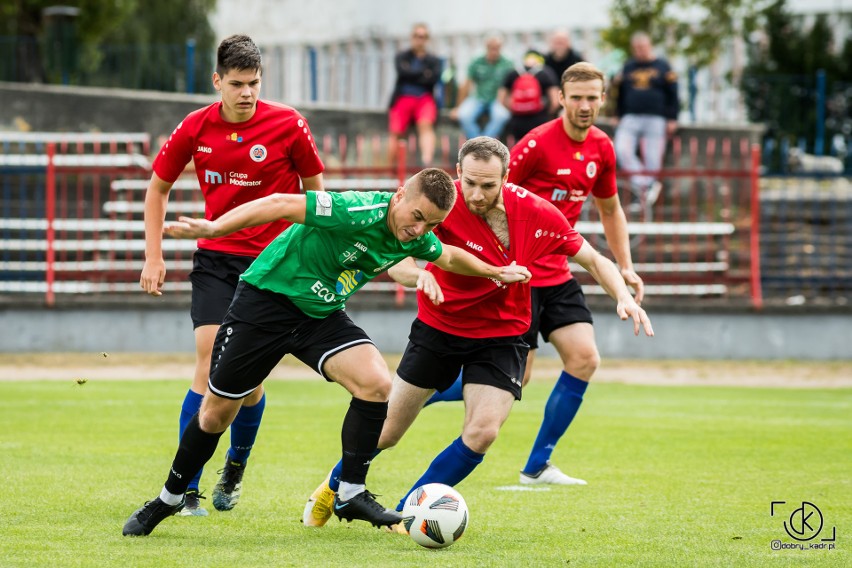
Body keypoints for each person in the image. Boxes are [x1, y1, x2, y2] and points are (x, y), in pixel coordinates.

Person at [122, 168, 533, 537]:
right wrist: (214, 229)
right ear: (398, 198)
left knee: (376, 383)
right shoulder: (355, 209)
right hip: (266, 303)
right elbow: (280, 203)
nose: (419, 229)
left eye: (432, 223)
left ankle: (350, 491)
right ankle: (170, 497)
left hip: (319, 315)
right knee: (215, 415)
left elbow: (447, 255)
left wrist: (495, 270)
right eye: (417, 217)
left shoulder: (420, 234)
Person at [302, 137, 653, 529]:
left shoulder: (536, 213)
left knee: (483, 432)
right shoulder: (439, 205)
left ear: (507, 177)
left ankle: (408, 513)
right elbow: (396, 261)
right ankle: (333, 487)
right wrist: (419, 277)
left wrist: (624, 296)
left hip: (503, 336)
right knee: (386, 433)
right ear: (458, 173)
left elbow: (592, 258)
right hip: (439, 329)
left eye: (488, 185)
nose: (475, 194)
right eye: (469, 182)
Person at [425, 62, 645, 486]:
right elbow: (491, 196)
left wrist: (626, 267)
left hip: (559, 273)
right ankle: (423, 392)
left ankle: (537, 465)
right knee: (518, 378)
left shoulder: (602, 147)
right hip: (519, 280)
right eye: (576, 97)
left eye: (592, 97)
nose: (584, 105)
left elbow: (610, 208)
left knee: (585, 359)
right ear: (560, 98)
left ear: (603, 99)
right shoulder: (535, 145)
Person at [139, 34, 325, 516]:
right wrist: (153, 256)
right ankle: (187, 490)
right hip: (218, 261)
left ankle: (235, 467)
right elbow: (157, 189)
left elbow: (316, 197)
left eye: (255, 84)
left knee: (249, 382)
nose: (247, 93)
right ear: (217, 81)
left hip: (275, 265)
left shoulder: (289, 124)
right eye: (237, 84)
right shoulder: (195, 127)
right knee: (209, 360)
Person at [613, 31, 679, 207]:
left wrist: (672, 117)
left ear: (650, 46)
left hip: (656, 118)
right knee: (621, 149)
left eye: (642, 47)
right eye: (636, 48)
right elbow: (620, 92)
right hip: (630, 116)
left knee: (652, 158)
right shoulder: (628, 67)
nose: (640, 51)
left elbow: (673, 93)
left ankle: (644, 194)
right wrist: (618, 114)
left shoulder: (663, 66)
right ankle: (646, 185)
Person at [387, 23, 443, 166]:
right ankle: (391, 168)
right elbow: (403, 73)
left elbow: (433, 78)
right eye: (417, 36)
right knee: (396, 131)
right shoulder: (402, 56)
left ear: (427, 39)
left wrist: (412, 73)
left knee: (426, 126)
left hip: (424, 98)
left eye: (423, 36)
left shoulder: (434, 60)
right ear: (412, 37)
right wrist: (423, 73)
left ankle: (427, 163)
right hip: (403, 98)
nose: (420, 40)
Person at [449, 35, 515, 140]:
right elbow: (466, 84)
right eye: (491, 48)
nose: (494, 51)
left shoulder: (507, 63)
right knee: (464, 115)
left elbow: (512, 85)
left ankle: (485, 143)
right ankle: (477, 143)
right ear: (486, 47)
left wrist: (509, 101)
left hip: (497, 99)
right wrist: (458, 106)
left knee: (502, 116)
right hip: (478, 97)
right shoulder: (476, 61)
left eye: (496, 48)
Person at [498, 49, 559, 141]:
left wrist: (515, 108)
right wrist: (547, 113)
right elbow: (555, 101)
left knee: (518, 149)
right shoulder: (545, 72)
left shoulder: (513, 72)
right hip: (539, 120)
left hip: (517, 121)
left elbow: (501, 99)